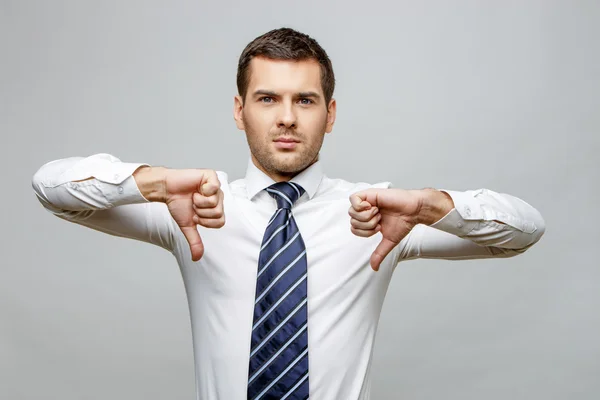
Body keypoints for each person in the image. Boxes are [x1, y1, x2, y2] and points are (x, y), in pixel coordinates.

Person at [31, 27, 545, 400]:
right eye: (266, 98)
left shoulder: (381, 216)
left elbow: (523, 231)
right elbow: (51, 189)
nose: (285, 117)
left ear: (331, 113)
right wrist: (155, 182)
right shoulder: (191, 208)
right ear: (240, 111)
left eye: (305, 100)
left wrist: (435, 206)